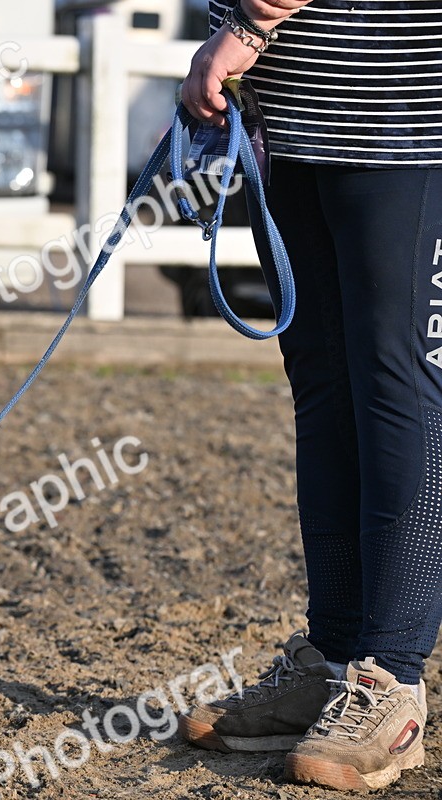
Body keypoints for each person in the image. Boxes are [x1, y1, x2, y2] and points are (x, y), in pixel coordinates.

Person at [175, 0, 442, 791]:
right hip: (289, 122)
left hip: (402, 118)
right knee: (326, 394)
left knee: (398, 393)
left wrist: (252, 23)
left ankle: (391, 679)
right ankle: (335, 662)